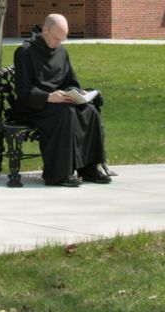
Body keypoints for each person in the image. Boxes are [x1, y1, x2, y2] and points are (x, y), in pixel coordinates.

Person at [12, 13, 115, 187]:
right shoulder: (25, 52)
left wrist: (75, 92)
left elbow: (69, 82)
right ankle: (59, 175)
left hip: (60, 102)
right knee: (65, 114)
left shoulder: (61, 51)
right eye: (56, 39)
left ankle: (89, 169)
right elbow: (23, 90)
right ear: (45, 30)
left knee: (90, 112)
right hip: (33, 106)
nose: (58, 44)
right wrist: (49, 97)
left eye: (62, 40)